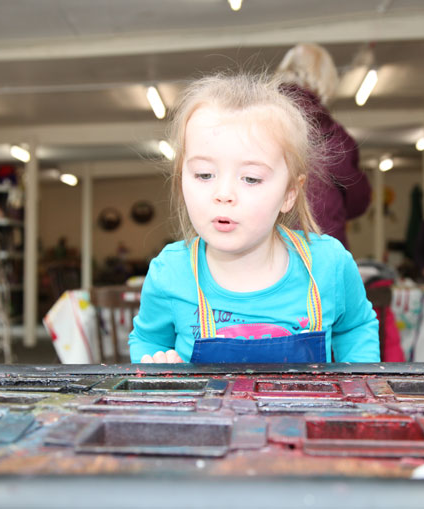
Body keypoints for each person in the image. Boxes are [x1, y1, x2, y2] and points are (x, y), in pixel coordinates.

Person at [128, 73, 380, 364]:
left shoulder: (329, 265)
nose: (223, 194)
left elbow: (356, 328)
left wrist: (359, 381)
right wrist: (156, 367)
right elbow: (147, 340)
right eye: (204, 175)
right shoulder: (170, 272)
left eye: (250, 178)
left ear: (289, 193)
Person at [276, 43, 371, 249]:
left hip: (268, 246)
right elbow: (358, 201)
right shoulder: (334, 136)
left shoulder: (259, 122)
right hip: (319, 247)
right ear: (325, 78)